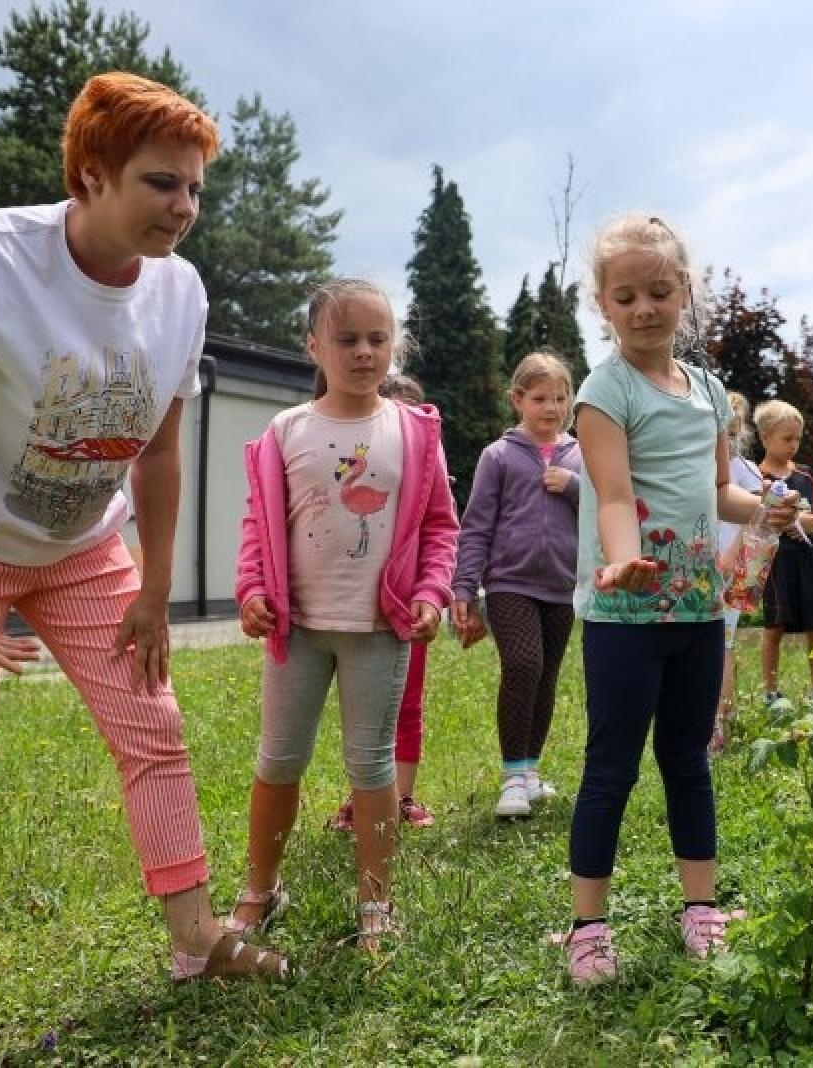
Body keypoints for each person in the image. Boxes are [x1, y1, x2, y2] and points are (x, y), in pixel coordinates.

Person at [0, 72, 287, 1066]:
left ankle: (195, 942)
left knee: (154, 726)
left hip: (80, 543)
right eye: (161, 184)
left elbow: (162, 449)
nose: (183, 209)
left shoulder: (179, 291)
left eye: (193, 189)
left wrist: (151, 585)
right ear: (90, 174)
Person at [563, 213, 798, 986]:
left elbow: (719, 491)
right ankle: (588, 926)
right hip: (625, 616)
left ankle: (700, 909)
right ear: (602, 302)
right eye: (625, 296)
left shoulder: (704, 389)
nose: (643, 309)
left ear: (683, 291)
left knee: (688, 762)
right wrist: (625, 562)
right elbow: (613, 496)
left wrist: (766, 507)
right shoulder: (603, 391)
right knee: (612, 768)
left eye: (658, 292)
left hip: (698, 611)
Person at [229, 279, 458, 950]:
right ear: (314, 346)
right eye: (347, 339)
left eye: (377, 339)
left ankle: (375, 902)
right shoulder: (286, 431)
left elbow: (442, 525)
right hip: (295, 631)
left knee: (372, 768)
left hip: (379, 632)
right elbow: (257, 523)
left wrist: (432, 593)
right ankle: (261, 887)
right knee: (278, 761)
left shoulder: (416, 432)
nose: (364, 352)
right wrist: (250, 590)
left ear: (394, 346)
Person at [451, 352, 582, 817]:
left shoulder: (581, 455)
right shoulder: (499, 455)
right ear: (517, 400)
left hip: (563, 585)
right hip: (509, 583)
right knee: (524, 665)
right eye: (540, 398)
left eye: (560, 397)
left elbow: (610, 509)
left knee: (545, 676)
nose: (551, 407)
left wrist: (572, 486)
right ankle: (511, 777)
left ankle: (530, 771)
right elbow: (476, 525)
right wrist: (464, 588)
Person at [327, 370, 439, 833]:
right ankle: (364, 799)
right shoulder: (356, 462)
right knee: (363, 710)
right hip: (355, 607)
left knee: (406, 702)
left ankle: (403, 797)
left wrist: (432, 593)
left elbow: (440, 531)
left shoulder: (427, 470)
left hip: (407, 606)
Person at [753, 399, 813, 705]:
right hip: (774, 561)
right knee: (775, 625)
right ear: (765, 438)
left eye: (798, 438)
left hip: (805, 559)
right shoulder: (755, 478)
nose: (794, 445)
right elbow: (754, 520)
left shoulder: (807, 477)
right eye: (787, 439)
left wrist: (803, 522)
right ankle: (771, 693)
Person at [708, 391, 763, 755]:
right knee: (710, 641)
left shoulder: (745, 471)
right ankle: (713, 719)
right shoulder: (707, 468)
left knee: (722, 644)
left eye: (729, 434)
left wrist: (731, 556)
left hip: (729, 567)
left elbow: (755, 520)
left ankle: (719, 723)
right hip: (705, 563)